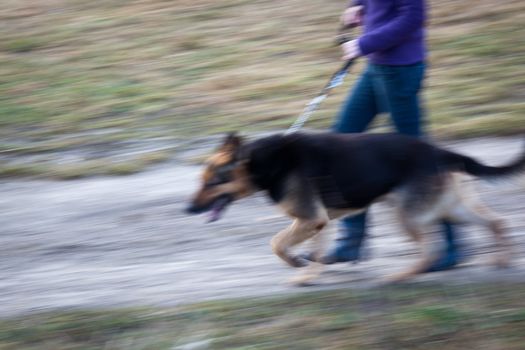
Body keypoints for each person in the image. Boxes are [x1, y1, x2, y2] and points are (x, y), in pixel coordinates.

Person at [319, 0, 463, 271]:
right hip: (377, 66)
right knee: (340, 142)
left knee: (419, 158)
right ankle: (351, 242)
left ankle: (450, 246)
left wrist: (363, 44)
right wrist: (357, 5)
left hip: (400, 70)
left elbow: (412, 17)